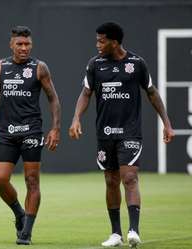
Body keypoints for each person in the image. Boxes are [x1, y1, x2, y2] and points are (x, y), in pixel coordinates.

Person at [69, 22, 174, 248]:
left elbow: (152, 93)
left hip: (130, 131)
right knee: (111, 180)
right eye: (97, 40)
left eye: (102, 40)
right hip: (105, 133)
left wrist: (166, 122)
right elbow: (86, 93)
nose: (97, 45)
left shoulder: (136, 64)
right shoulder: (95, 65)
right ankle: (115, 234)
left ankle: (134, 230)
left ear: (114, 42)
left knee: (129, 177)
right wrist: (76, 117)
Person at [0, 26, 61, 245]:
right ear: (11, 45)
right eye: (20, 44)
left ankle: (26, 231)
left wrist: (55, 128)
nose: (24, 48)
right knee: (0, 179)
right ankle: (19, 212)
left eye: (27, 44)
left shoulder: (39, 68)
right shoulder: (0, 67)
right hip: (7, 132)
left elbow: (53, 98)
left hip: (31, 131)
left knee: (32, 180)